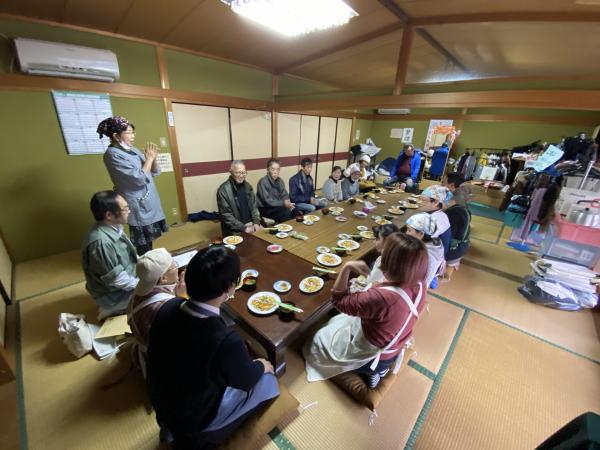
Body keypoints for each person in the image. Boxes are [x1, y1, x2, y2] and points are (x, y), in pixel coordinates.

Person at [146, 246, 279, 448]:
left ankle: (172, 431)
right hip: (195, 424)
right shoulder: (225, 340)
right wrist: (261, 365)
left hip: (165, 411)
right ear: (231, 287)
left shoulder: (167, 307)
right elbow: (246, 380)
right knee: (268, 379)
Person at [304, 233, 428, 389]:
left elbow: (338, 301)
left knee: (317, 339)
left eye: (385, 254)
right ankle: (379, 370)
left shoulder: (384, 297)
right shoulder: (420, 283)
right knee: (339, 323)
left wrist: (347, 267)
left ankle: (370, 372)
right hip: (394, 346)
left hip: (373, 357)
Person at [97, 116, 167, 256]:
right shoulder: (112, 155)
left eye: (133, 132)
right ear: (116, 136)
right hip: (136, 201)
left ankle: (151, 259)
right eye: (129, 132)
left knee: (150, 237)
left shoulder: (133, 149)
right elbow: (139, 178)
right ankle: (145, 264)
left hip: (148, 197)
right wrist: (149, 159)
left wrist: (153, 159)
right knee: (143, 240)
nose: (133, 135)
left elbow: (154, 171)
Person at [127, 248, 186, 377]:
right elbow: (182, 335)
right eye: (174, 265)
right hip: (161, 359)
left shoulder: (135, 296)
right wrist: (181, 298)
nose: (177, 266)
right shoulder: (167, 307)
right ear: (163, 278)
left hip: (146, 347)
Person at [81, 191, 138, 320]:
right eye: (125, 208)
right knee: (160, 291)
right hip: (114, 294)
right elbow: (117, 280)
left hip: (129, 275)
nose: (129, 211)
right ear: (109, 215)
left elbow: (131, 255)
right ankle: (110, 310)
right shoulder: (101, 243)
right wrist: (145, 284)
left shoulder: (114, 226)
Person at [216, 160, 263, 236]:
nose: (241, 175)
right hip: (235, 230)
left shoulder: (248, 187)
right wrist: (244, 228)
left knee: (267, 240)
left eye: (244, 173)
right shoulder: (223, 190)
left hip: (251, 225)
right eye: (238, 172)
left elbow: (254, 207)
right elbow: (226, 216)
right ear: (231, 172)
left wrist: (256, 223)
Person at [402, 213, 445, 289]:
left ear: (421, 234)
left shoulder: (428, 257)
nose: (406, 233)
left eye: (409, 230)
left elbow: (424, 283)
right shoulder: (433, 242)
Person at [256, 158, 300, 223]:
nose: (275, 172)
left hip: (277, 205)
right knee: (286, 212)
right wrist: (283, 203)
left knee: (295, 208)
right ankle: (283, 229)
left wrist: (287, 202)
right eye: (273, 169)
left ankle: (294, 228)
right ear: (268, 170)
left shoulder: (280, 181)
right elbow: (267, 201)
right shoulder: (263, 182)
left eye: (278, 169)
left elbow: (285, 194)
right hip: (266, 208)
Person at [442, 201, 472, 281]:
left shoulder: (453, 215)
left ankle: (446, 274)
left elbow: (448, 236)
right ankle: (451, 266)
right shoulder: (462, 209)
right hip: (464, 245)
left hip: (455, 249)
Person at [420, 185, 452, 254]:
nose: (419, 202)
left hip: (432, 259)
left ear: (436, 202)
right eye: (420, 199)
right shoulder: (442, 215)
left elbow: (420, 244)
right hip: (440, 256)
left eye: (423, 200)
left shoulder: (431, 221)